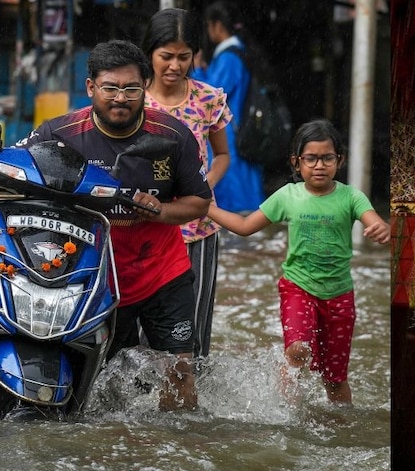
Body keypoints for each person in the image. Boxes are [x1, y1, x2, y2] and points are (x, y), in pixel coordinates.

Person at [0, 40, 211, 411]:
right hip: (94, 276)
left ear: (145, 86)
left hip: (163, 273)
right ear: (91, 88)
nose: (120, 98)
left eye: (131, 88)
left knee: (180, 375)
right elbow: (12, 172)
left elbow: (199, 202)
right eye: (110, 88)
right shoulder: (60, 133)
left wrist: (159, 211)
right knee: (97, 387)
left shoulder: (172, 136)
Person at [205, 119, 390, 404]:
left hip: (340, 295)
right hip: (298, 288)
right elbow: (244, 226)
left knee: (335, 378)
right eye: (311, 159)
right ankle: (288, 412)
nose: (319, 166)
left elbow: (374, 220)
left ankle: (342, 429)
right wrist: (205, 208)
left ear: (340, 160)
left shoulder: (351, 196)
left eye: (327, 158)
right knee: (297, 351)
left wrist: (381, 228)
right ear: (297, 161)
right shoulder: (288, 196)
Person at [142, 7, 232, 363]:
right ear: (150, 53)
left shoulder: (209, 99)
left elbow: (223, 155)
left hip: (197, 228)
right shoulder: (133, 100)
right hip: (144, 226)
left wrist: (201, 189)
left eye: (184, 57)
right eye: (166, 56)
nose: (175, 66)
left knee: (191, 332)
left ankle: (189, 405)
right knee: (139, 327)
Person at [190, 0, 265, 213]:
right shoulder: (239, 52)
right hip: (240, 129)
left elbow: (210, 93)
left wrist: (196, 70)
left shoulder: (229, 57)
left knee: (234, 194)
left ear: (217, 25)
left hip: (230, 132)